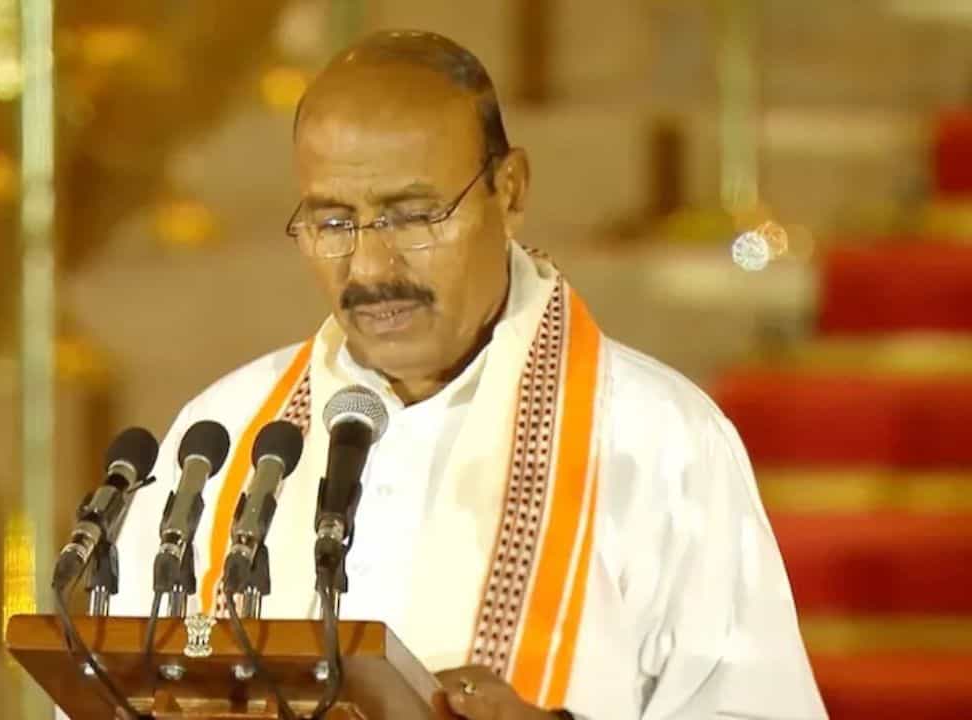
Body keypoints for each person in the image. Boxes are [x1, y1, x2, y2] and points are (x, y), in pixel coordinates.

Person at [102, 30, 827, 720]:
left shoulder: (657, 438)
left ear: (509, 192)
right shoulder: (224, 439)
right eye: (333, 223)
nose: (371, 268)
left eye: (415, 217)